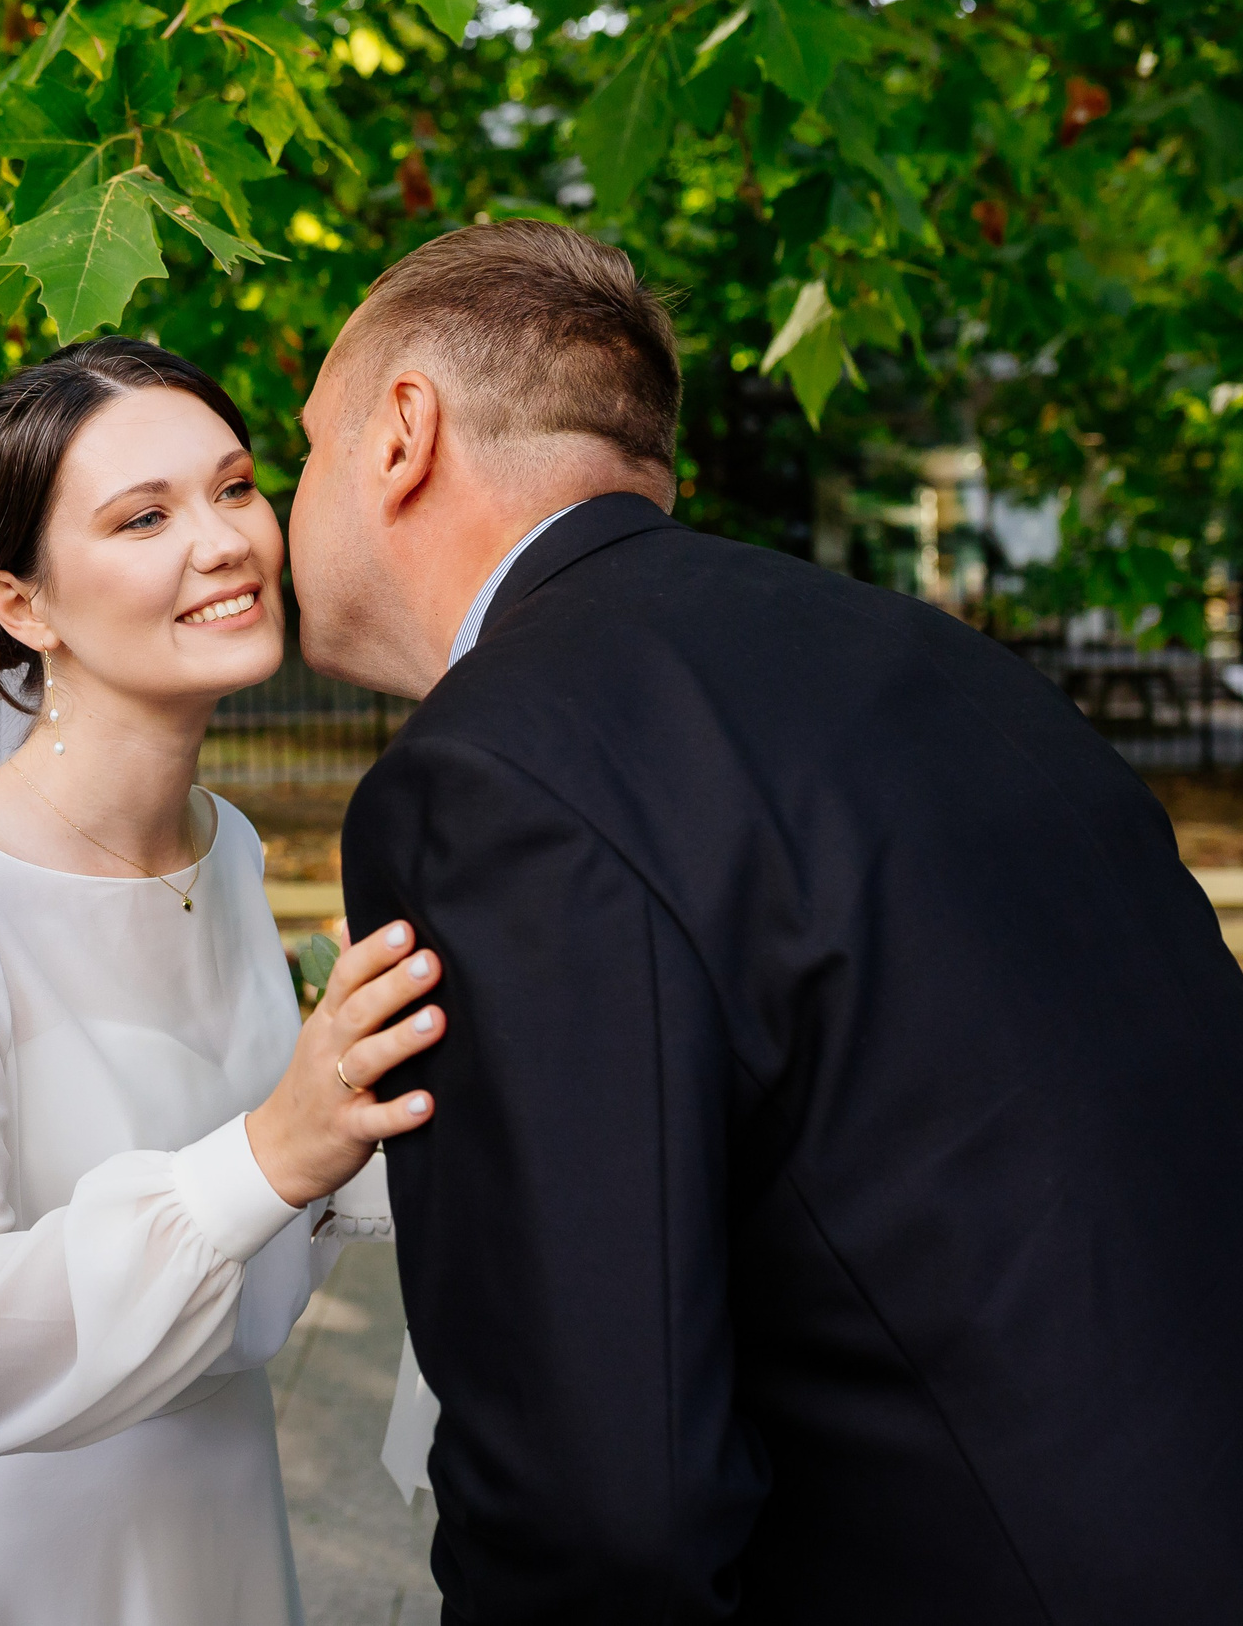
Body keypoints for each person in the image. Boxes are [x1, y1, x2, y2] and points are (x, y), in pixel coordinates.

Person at [290, 217, 1243, 1622]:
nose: (282, 508)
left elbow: (598, 1502)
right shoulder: (938, 662)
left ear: (401, 435)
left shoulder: (492, 770)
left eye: (307, 446)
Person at [0, 339, 442, 1625]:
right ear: (22, 605)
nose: (224, 541)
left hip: (211, 1527)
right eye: (143, 517)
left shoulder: (226, 848)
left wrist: (382, 1105)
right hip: (0, 1565)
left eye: (234, 487)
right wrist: (273, 1149)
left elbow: (268, 1208)